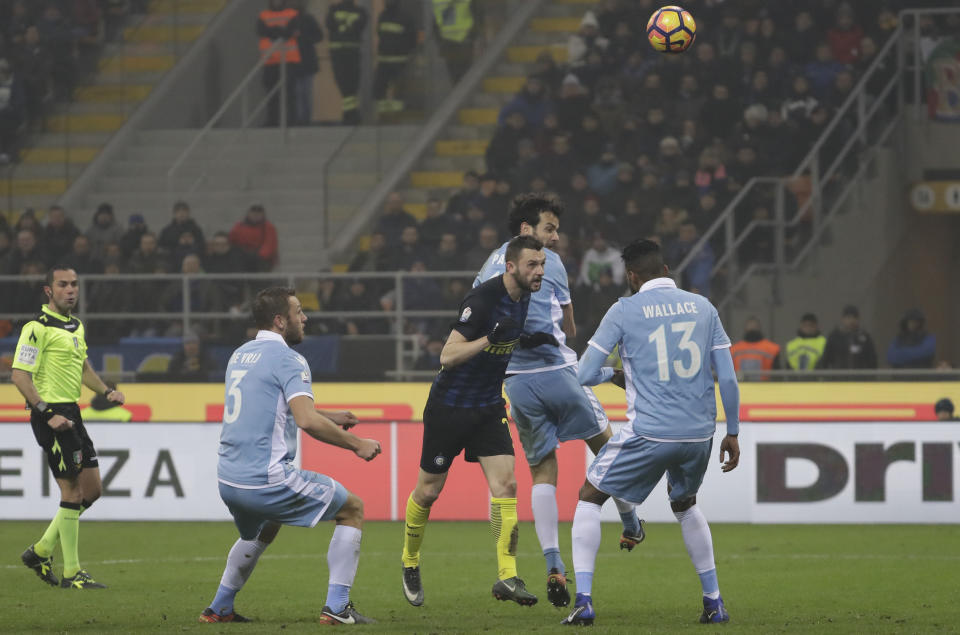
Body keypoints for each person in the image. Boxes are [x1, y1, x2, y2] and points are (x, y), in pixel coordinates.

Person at [473, 194, 642, 608]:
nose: (555, 238)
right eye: (549, 228)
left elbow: (475, 313)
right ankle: (629, 519)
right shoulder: (548, 261)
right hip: (558, 371)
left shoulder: (489, 266)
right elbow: (567, 324)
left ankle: (553, 563)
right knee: (607, 445)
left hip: (515, 382)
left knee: (542, 469)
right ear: (527, 230)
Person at [564, 239, 740, 626]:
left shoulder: (624, 309)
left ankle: (584, 601)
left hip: (650, 432)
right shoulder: (703, 306)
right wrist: (733, 432)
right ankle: (714, 603)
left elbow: (583, 373)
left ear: (631, 276)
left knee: (590, 495)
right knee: (686, 504)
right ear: (666, 270)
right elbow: (726, 376)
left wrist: (615, 376)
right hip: (699, 435)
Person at [200, 287, 381, 624]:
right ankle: (338, 608)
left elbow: (280, 405)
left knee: (263, 528)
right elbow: (305, 419)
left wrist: (332, 416)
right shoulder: (289, 358)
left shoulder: (240, 354)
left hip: (229, 478)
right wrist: (357, 444)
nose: (305, 318)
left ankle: (219, 607)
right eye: (299, 312)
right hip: (265, 479)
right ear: (281, 321)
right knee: (352, 509)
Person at [400, 235, 551, 608]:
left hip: (487, 407)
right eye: (532, 265)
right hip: (449, 407)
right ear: (511, 267)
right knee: (428, 492)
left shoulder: (525, 297)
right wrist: (487, 339)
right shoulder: (482, 299)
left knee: (507, 485)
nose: (540, 271)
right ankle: (410, 560)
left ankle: (507, 576)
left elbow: (506, 338)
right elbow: (448, 356)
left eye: (542, 264)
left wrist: (527, 339)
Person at [12, 266, 126, 589]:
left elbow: (83, 367)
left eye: (74, 284)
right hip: (52, 415)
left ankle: (42, 550)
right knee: (72, 491)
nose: (70, 290)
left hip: (72, 412)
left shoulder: (76, 326)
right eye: (62, 284)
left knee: (92, 490)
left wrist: (106, 391)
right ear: (49, 291)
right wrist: (46, 413)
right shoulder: (37, 327)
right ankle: (72, 573)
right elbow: (19, 375)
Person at [257, 0, 301, 127]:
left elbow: (290, 32)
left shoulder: (292, 14)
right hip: (270, 60)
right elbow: (260, 31)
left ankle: (291, 120)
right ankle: (272, 120)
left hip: (288, 60)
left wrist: (272, 31)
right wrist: (280, 30)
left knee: (289, 93)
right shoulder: (263, 15)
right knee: (271, 94)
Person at [326, 0, 367, 125]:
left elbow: (330, 25)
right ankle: (351, 114)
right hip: (346, 54)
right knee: (348, 86)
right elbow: (330, 25)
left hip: (344, 54)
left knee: (348, 86)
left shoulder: (334, 10)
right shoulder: (359, 12)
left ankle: (350, 115)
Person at [373, 0, 417, 114]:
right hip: (388, 60)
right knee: (380, 88)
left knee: (397, 88)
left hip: (397, 60)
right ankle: (385, 112)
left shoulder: (402, 18)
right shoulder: (385, 16)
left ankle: (396, 112)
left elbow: (412, 39)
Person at [290, 0, 323, 125]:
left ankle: (305, 119)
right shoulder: (292, 20)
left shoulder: (308, 19)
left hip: (306, 61)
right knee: (299, 92)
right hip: (297, 61)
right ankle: (301, 119)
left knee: (305, 92)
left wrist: (304, 37)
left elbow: (319, 36)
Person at [431, 0, 476, 84]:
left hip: (448, 41)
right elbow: (477, 13)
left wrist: (439, 41)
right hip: (464, 39)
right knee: (466, 75)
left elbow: (435, 22)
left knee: (455, 76)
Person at [822, 305, 877, 370]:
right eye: (848, 317)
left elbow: (872, 361)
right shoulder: (834, 336)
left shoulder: (865, 337)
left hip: (860, 378)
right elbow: (825, 359)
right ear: (843, 319)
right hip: (838, 378)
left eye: (854, 317)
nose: (852, 320)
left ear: (858, 319)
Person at [228, 204, 279, 271]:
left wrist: (259, 256)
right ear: (248, 213)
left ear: (263, 214)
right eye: (253, 211)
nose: (256, 214)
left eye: (259, 212)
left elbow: (270, 244)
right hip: (243, 257)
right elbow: (232, 240)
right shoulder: (239, 226)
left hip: (260, 259)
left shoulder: (268, 227)